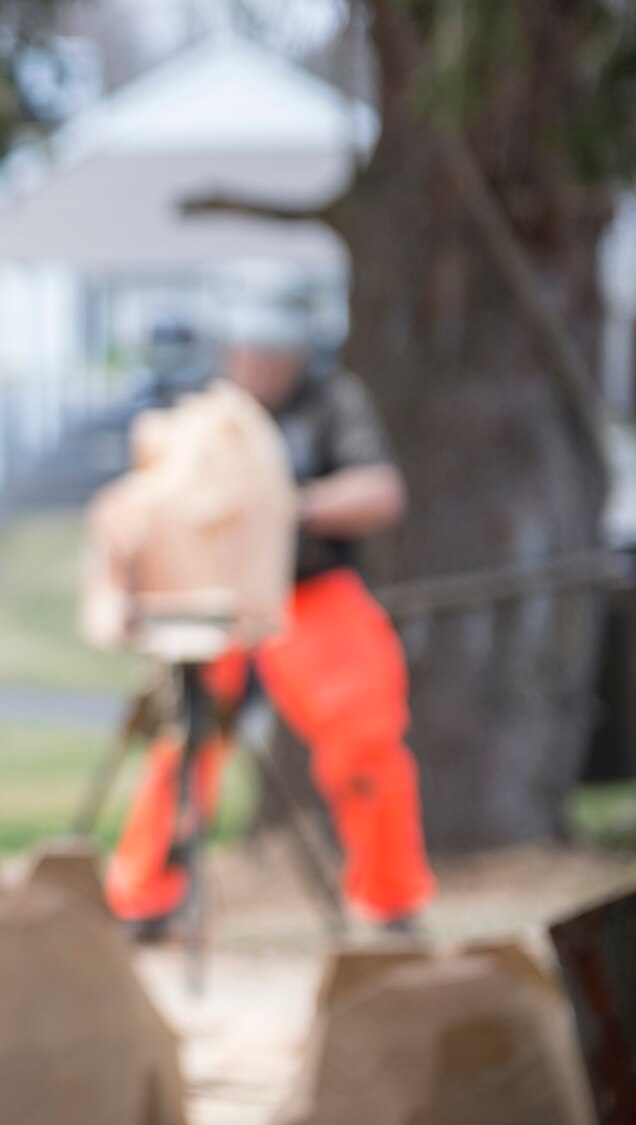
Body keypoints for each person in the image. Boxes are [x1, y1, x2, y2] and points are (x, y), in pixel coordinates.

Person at [105, 299, 436, 937]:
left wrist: (290, 505)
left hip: (307, 590)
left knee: (364, 733)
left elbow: (379, 491)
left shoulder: (332, 403)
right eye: (247, 356)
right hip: (214, 596)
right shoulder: (203, 411)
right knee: (182, 738)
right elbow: (144, 503)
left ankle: (391, 898)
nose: (258, 370)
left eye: (273, 358)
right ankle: (146, 894)